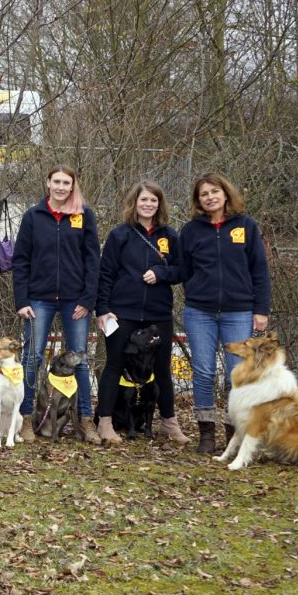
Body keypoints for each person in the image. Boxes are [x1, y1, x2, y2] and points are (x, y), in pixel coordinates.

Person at [179, 172, 271, 454]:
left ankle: (234, 433)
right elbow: (183, 270)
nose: (209, 197)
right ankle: (206, 432)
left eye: (214, 192)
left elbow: (259, 269)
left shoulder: (245, 225)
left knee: (236, 373)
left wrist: (261, 309)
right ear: (198, 200)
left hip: (239, 311)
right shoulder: (190, 231)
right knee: (204, 371)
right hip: (199, 312)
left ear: (225, 194)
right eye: (204, 194)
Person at [12, 165, 102, 444]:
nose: (61, 187)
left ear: (73, 186)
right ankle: (26, 418)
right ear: (47, 183)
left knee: (81, 362)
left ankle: (85, 420)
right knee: (32, 359)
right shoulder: (33, 216)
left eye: (67, 183)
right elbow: (21, 260)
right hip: (38, 299)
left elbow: (92, 260)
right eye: (57, 182)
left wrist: (88, 299)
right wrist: (22, 300)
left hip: (75, 301)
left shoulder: (84, 215)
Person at [94, 180, 187, 444]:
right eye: (143, 200)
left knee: (162, 369)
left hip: (159, 314)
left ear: (160, 205)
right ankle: (106, 422)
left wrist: (161, 273)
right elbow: (106, 274)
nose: (148, 205)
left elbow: (181, 270)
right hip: (122, 312)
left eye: (153, 200)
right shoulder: (119, 235)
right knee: (114, 366)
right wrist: (102, 309)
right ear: (135, 203)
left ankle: (169, 422)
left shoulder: (169, 235)